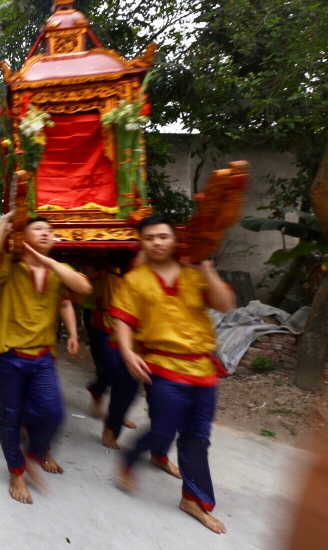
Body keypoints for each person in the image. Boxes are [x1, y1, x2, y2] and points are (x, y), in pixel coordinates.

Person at [111, 214, 236, 534]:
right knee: (162, 431)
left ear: (174, 240)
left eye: (163, 236)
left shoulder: (193, 273)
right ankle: (130, 458)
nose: (157, 242)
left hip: (203, 371)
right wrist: (127, 351)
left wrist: (206, 267)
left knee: (198, 438)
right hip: (163, 368)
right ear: (142, 242)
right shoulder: (135, 280)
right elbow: (123, 318)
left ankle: (193, 500)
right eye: (150, 237)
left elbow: (226, 304)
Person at [0, 212, 93, 504]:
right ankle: (16, 472)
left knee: (52, 413)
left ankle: (34, 453)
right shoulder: (9, 265)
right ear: (24, 236)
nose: (45, 233)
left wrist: (47, 261)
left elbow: (84, 288)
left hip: (43, 357)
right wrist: (7, 221)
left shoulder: (58, 270)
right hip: (9, 355)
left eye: (49, 230)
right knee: (10, 417)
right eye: (38, 229)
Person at [84, 263, 139, 448]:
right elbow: (89, 271)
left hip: (137, 331)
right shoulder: (108, 259)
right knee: (114, 367)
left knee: (130, 380)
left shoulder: (152, 270)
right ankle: (98, 392)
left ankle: (116, 417)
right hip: (107, 323)